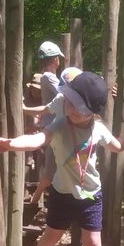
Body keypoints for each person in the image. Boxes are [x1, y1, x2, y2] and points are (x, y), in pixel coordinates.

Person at [0, 71, 124, 246]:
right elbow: (37, 139)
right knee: (51, 236)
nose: (72, 109)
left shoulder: (98, 129)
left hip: (91, 196)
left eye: (79, 107)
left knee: (93, 243)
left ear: (94, 112)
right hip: (62, 195)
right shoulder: (59, 124)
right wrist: (10, 144)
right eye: (69, 102)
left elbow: (117, 146)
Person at [23, 67, 83, 204]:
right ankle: (36, 198)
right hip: (59, 143)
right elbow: (45, 109)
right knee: (50, 173)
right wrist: (26, 110)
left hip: (79, 144)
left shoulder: (85, 99)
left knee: (74, 174)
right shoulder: (60, 98)